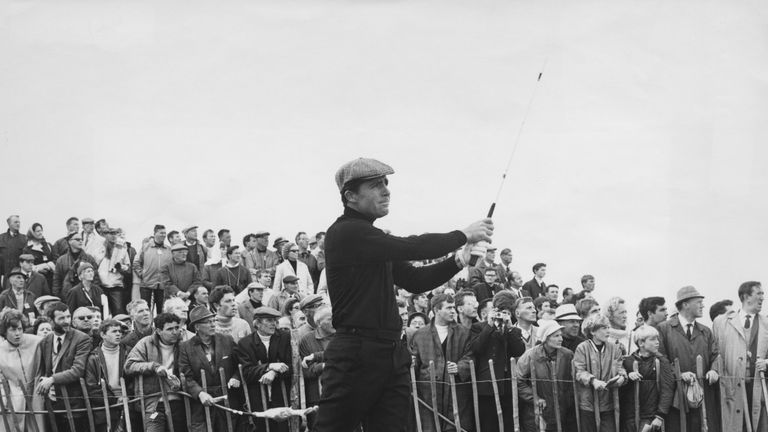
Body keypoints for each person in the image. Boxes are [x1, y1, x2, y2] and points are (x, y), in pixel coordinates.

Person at [315, 157, 493, 432]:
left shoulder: (372, 240)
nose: (386, 190)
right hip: (355, 353)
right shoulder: (347, 232)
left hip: (389, 352)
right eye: (375, 185)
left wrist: (459, 260)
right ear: (350, 196)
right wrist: (463, 235)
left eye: (386, 183)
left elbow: (415, 280)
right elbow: (414, 246)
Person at [657, 286, 720, 432]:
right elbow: (660, 358)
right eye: (698, 302)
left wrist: (714, 370)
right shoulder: (664, 329)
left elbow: (715, 355)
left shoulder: (706, 331)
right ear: (685, 304)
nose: (702, 305)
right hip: (676, 397)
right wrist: (678, 374)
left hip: (703, 394)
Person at [411, 293, 474, 432]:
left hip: (455, 391)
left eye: (454, 308)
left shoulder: (464, 332)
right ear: (436, 310)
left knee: (454, 427)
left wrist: (459, 367)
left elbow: (470, 356)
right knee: (429, 427)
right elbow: (414, 363)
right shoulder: (420, 334)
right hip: (428, 392)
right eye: (449, 308)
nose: (453, 311)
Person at [713, 281, 768, 431]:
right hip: (732, 388)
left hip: (759, 389)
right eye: (759, 293)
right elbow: (715, 354)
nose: (763, 298)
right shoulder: (722, 322)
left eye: (763, 294)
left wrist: (767, 362)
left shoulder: (766, 323)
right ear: (746, 297)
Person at [469, 290, 526, 432]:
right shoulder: (479, 327)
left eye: (507, 312)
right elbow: (476, 348)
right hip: (486, 383)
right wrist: (489, 325)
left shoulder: (513, 329)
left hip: (506, 385)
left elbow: (519, 350)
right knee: (488, 425)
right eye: (500, 311)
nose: (502, 315)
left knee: (508, 425)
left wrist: (510, 327)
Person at [179, 305, 239, 432]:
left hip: (226, 399)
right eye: (208, 322)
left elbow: (240, 364)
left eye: (214, 321)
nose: (213, 325)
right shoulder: (186, 347)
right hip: (201, 403)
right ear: (196, 327)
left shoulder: (226, 340)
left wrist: (236, 377)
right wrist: (200, 393)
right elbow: (186, 376)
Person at [124, 312, 187, 432]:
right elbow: (129, 365)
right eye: (169, 329)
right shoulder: (146, 343)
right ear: (158, 330)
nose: (175, 332)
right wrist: (154, 367)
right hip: (154, 402)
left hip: (179, 401)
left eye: (176, 328)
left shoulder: (183, 344)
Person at [234, 306, 293, 432]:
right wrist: (269, 366)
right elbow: (247, 372)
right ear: (258, 323)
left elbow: (290, 366)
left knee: (283, 427)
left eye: (274, 320)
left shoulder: (284, 337)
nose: (273, 324)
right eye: (269, 320)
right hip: (258, 396)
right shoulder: (245, 343)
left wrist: (273, 372)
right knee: (262, 427)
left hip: (281, 394)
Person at [37, 301, 93, 432]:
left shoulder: (82, 339)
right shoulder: (45, 341)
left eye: (68, 316)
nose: (67, 321)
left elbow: (77, 370)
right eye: (61, 318)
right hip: (52, 404)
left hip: (74, 405)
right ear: (51, 321)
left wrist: (52, 380)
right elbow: (45, 370)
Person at [517, 320, 576, 432]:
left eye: (561, 335)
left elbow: (572, 381)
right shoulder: (530, 356)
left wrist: (568, 400)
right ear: (546, 338)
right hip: (537, 412)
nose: (561, 339)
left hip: (562, 411)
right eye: (556, 336)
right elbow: (519, 381)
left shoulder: (567, 355)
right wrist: (535, 398)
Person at [573, 313, 627, 432]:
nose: (608, 331)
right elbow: (579, 371)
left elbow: (620, 367)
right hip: (588, 403)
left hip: (608, 401)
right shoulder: (582, 348)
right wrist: (593, 380)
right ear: (592, 331)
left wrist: (622, 377)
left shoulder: (614, 348)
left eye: (608, 327)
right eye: (603, 328)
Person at [619, 324, 674, 432]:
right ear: (641, 343)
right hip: (629, 417)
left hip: (651, 417)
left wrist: (660, 416)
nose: (657, 342)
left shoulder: (661, 361)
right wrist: (628, 376)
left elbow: (667, 390)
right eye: (652, 339)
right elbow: (621, 388)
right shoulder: (628, 361)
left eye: (657, 339)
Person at [0, 308, 44, 432]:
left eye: (20, 329)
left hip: (37, 394)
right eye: (13, 330)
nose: (17, 333)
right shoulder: (0, 350)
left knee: (38, 427)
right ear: (4, 331)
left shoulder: (37, 342)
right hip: (12, 397)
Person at [84, 319, 127, 432]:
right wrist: (114, 400)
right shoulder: (93, 358)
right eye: (114, 331)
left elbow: (134, 380)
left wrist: (127, 396)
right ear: (103, 334)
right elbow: (91, 387)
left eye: (119, 331)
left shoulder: (128, 353)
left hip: (128, 403)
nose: (118, 334)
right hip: (105, 407)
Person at [299, 304, 335, 430]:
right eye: (330, 319)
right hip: (318, 396)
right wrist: (326, 365)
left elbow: (345, 357)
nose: (335, 322)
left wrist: (320, 361)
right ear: (319, 322)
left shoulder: (342, 338)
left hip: (343, 393)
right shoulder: (306, 340)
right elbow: (307, 371)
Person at [133, 224, 171, 314]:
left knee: (161, 311)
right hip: (147, 285)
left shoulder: (168, 249)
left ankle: (159, 328)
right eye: (161, 233)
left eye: (165, 233)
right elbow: (136, 262)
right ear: (155, 233)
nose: (163, 235)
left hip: (162, 285)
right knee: (146, 310)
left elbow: (171, 266)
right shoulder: (145, 247)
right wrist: (142, 274)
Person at [53, 231, 101, 299]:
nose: (81, 241)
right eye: (77, 240)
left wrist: (94, 295)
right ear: (70, 241)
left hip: (86, 296)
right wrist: (57, 297)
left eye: (82, 239)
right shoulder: (61, 260)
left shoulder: (89, 258)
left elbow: (95, 278)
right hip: (67, 297)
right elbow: (57, 281)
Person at [97, 227, 132, 316]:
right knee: (102, 313)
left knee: (118, 312)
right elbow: (95, 264)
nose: (112, 236)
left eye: (115, 234)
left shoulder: (122, 249)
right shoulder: (100, 248)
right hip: (102, 286)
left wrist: (121, 268)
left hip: (116, 286)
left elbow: (128, 267)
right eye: (110, 233)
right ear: (106, 235)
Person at [22, 222, 56, 288]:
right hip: (36, 281)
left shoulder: (48, 245)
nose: (40, 233)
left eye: (41, 230)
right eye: (38, 231)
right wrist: (38, 268)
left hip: (50, 279)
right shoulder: (27, 249)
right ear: (32, 233)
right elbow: (26, 265)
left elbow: (56, 259)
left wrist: (47, 266)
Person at [0, 214, 27, 280]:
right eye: (15, 222)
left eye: (19, 222)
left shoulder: (24, 239)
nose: (18, 224)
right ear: (9, 224)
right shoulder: (1, 238)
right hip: (4, 275)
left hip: (19, 275)